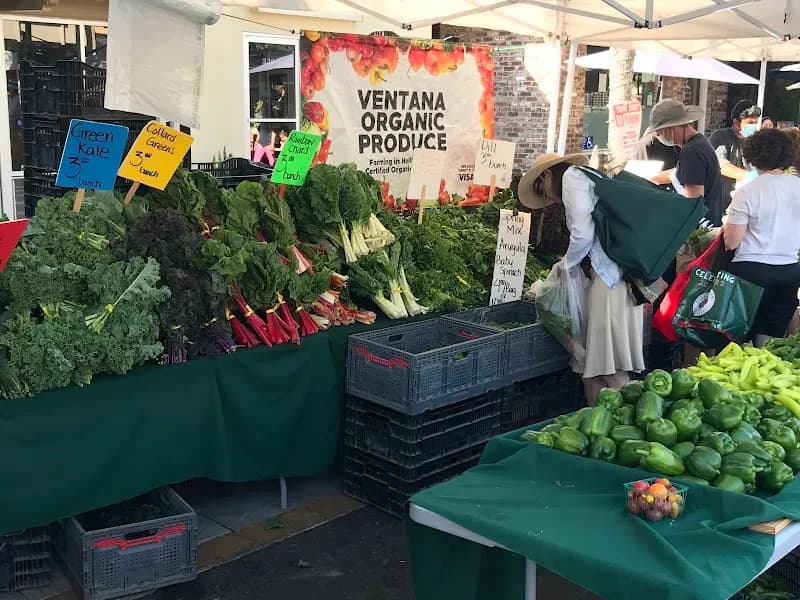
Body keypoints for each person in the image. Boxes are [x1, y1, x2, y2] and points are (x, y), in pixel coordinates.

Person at [519, 153, 645, 402]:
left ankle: (640, 424)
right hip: (612, 278)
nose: (546, 199)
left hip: (610, 280)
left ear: (547, 174)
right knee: (591, 369)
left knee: (610, 370)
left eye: (540, 189)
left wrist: (565, 266)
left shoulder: (571, 179)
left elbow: (583, 235)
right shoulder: (586, 179)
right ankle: (594, 423)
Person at [723, 128, 800, 346]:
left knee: (736, 340)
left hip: (750, 271)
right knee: (769, 341)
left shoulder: (748, 191)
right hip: (789, 269)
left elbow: (731, 242)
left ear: (753, 155)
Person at [646, 98, 723, 227]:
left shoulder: (691, 152)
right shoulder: (700, 143)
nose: (658, 135)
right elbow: (679, 174)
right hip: (710, 224)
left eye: (660, 131)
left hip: (700, 231)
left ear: (672, 128)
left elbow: (692, 203)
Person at [709, 100, 762, 206]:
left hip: (744, 201)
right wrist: (750, 176)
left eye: (756, 123)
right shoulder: (720, 137)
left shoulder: (755, 140)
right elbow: (721, 165)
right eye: (750, 123)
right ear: (736, 123)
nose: (754, 126)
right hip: (719, 201)